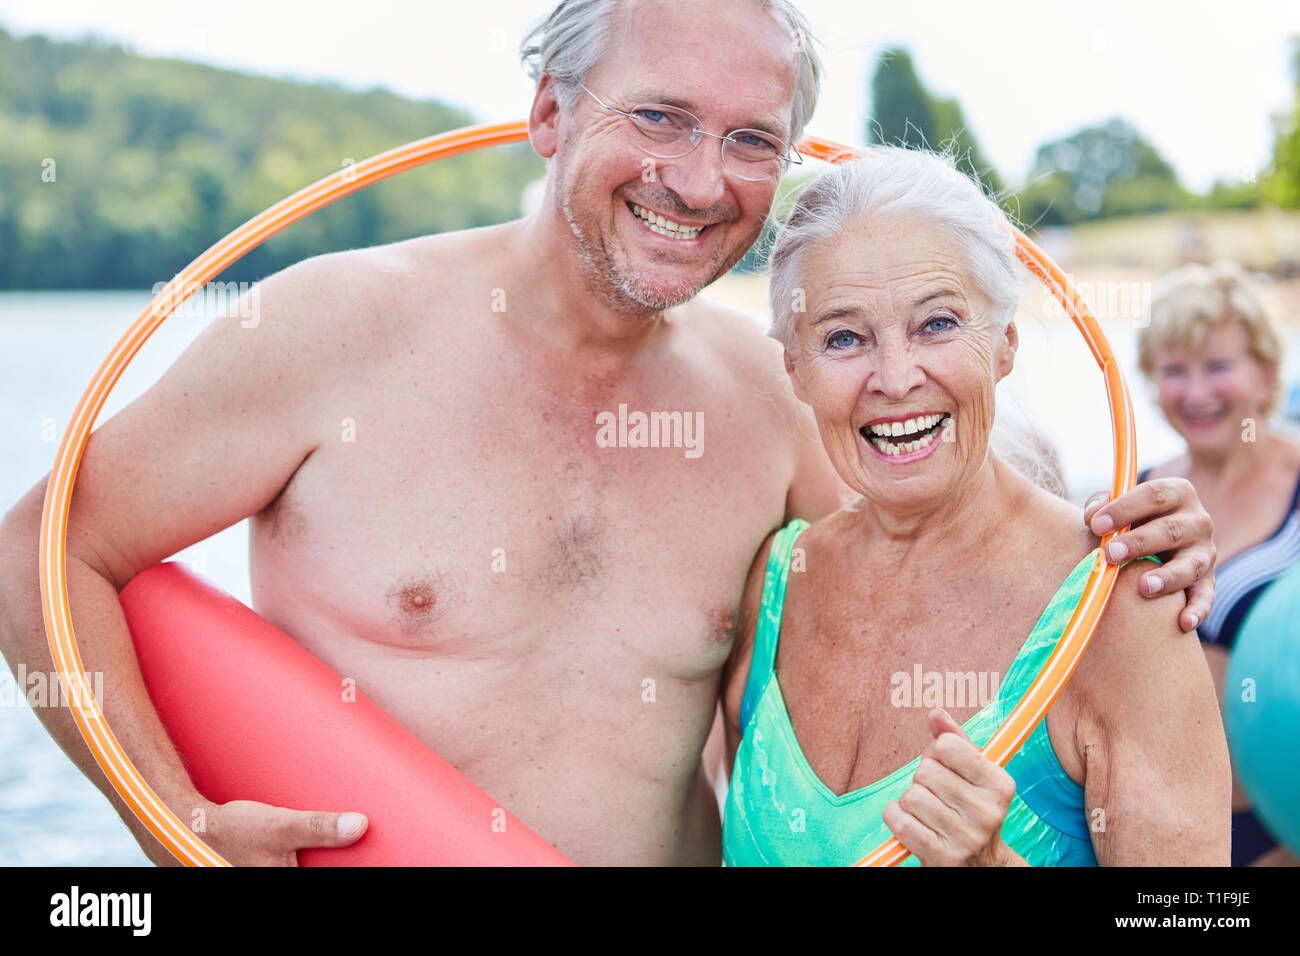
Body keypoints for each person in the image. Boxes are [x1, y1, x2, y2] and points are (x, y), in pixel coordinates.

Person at [0, 0, 1215, 867]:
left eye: (751, 139)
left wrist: (1141, 522)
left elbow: (957, 499)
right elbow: (41, 549)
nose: (697, 181)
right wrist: (172, 816)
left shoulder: (766, 394)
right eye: (660, 117)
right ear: (545, 111)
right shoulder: (328, 329)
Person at [721, 147, 1231, 866]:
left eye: (936, 324)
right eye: (844, 336)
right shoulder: (772, 585)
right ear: (795, 369)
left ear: (1005, 343)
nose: (896, 379)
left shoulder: (1121, 607)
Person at [1137, 261, 1300, 866]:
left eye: (1219, 366)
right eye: (1176, 370)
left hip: (1274, 832)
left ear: (1266, 375)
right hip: (1156, 834)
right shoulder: (1140, 494)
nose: (1197, 392)